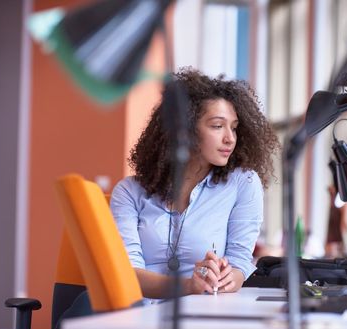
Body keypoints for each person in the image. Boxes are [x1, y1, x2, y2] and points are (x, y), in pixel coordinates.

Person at [110, 68, 279, 300]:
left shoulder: (243, 183)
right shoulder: (129, 192)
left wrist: (229, 277)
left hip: (204, 313)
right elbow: (127, 275)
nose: (230, 138)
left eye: (234, 127)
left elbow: (240, 262)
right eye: (218, 126)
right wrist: (189, 285)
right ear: (185, 130)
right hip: (139, 316)